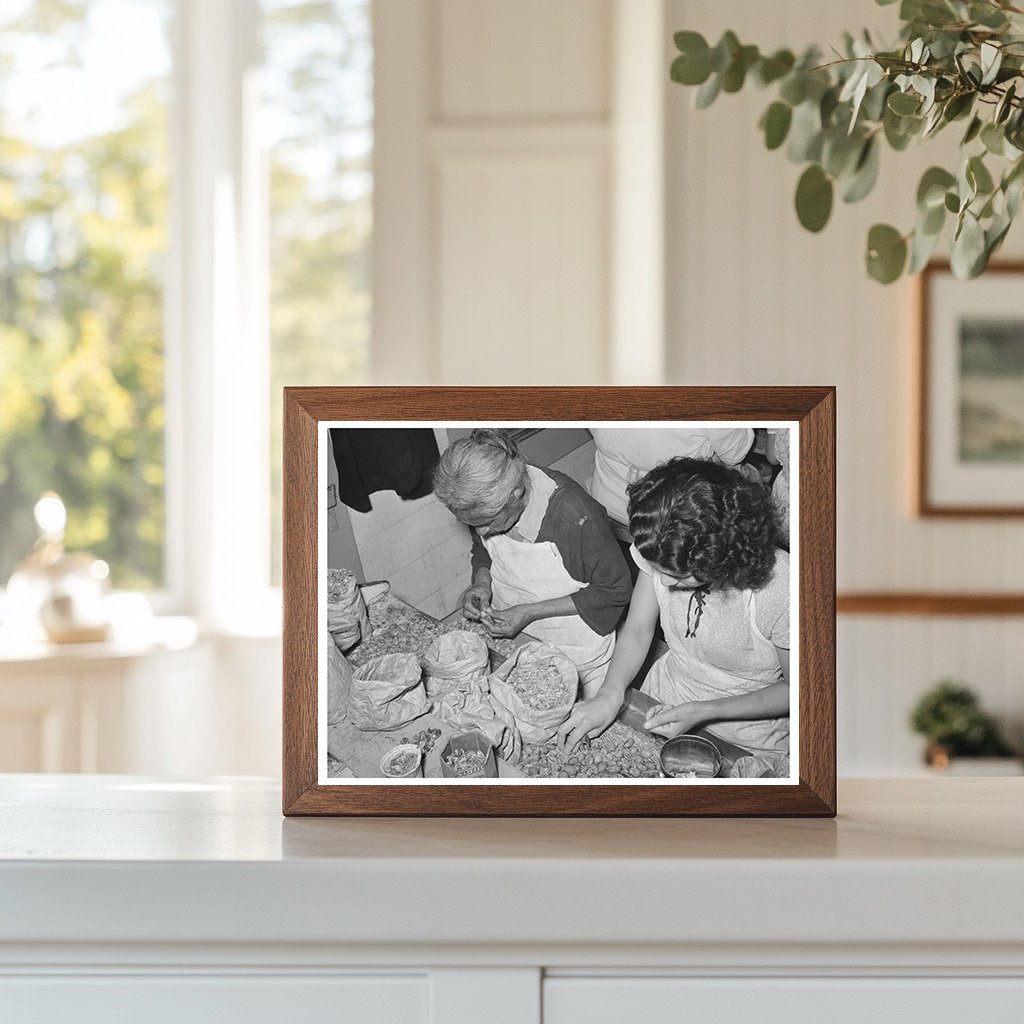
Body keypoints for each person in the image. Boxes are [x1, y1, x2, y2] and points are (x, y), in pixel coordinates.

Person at [557, 457, 790, 754]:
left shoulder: (779, 588)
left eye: (679, 576)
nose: (664, 582)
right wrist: (610, 692)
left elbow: (795, 689)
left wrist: (706, 711)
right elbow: (638, 630)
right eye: (658, 570)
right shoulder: (662, 545)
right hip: (665, 696)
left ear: (723, 559)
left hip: (746, 731)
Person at [433, 429, 632, 697]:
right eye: (471, 524)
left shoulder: (577, 518)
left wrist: (529, 612)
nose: (481, 532)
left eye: (487, 522)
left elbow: (615, 590)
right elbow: (483, 548)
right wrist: (481, 584)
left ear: (516, 493)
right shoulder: (489, 498)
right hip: (514, 638)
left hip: (574, 654)